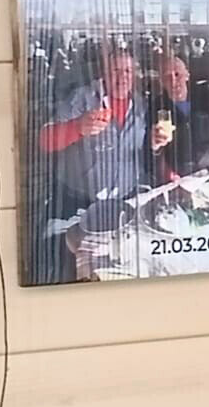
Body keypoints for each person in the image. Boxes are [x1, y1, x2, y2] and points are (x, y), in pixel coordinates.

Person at [37, 45, 147, 254]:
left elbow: (142, 151)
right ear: (104, 73)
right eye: (116, 70)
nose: (122, 77)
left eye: (127, 71)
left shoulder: (140, 105)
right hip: (80, 205)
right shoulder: (82, 98)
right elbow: (44, 140)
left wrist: (156, 146)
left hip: (124, 203)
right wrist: (77, 127)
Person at [146, 50, 209, 183]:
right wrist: (165, 171)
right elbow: (151, 154)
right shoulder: (156, 106)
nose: (173, 81)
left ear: (187, 75)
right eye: (167, 77)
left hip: (208, 176)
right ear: (161, 82)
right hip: (176, 180)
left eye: (177, 74)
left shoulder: (204, 96)